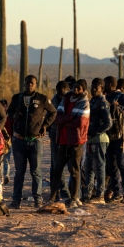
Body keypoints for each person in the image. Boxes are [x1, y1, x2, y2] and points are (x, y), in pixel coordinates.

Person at [7, 75, 57, 209]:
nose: (30, 85)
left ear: (36, 84)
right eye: (27, 82)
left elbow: (53, 112)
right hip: (19, 141)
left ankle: (38, 199)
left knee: (36, 171)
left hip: (35, 141)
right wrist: (14, 116)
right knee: (19, 172)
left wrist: (45, 125)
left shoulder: (42, 98)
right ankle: (16, 200)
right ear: (24, 83)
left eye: (32, 83)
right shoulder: (17, 98)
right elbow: (9, 112)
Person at [50, 79, 90, 208]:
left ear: (83, 90)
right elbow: (57, 117)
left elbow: (81, 122)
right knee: (57, 169)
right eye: (75, 87)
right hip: (63, 139)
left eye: (79, 88)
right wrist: (69, 118)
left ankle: (74, 197)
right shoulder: (66, 99)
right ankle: (53, 196)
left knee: (74, 170)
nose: (76, 90)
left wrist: (65, 122)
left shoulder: (84, 102)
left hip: (76, 140)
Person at [102, 77, 124, 203]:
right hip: (109, 136)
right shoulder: (105, 98)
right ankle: (117, 192)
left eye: (105, 84)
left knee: (122, 164)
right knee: (112, 166)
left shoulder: (121, 97)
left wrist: (120, 107)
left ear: (110, 85)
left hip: (121, 136)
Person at [81, 79, 111, 203]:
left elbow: (108, 123)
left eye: (96, 87)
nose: (93, 89)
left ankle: (100, 194)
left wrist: (95, 131)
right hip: (90, 140)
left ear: (102, 89)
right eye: (92, 86)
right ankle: (88, 194)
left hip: (99, 139)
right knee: (89, 168)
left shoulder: (102, 102)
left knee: (99, 167)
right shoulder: (92, 101)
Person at [47, 81, 70, 201]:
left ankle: (63, 192)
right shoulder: (54, 100)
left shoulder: (70, 99)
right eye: (59, 92)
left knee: (66, 165)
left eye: (63, 92)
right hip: (55, 135)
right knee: (56, 166)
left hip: (67, 135)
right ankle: (57, 192)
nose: (61, 95)